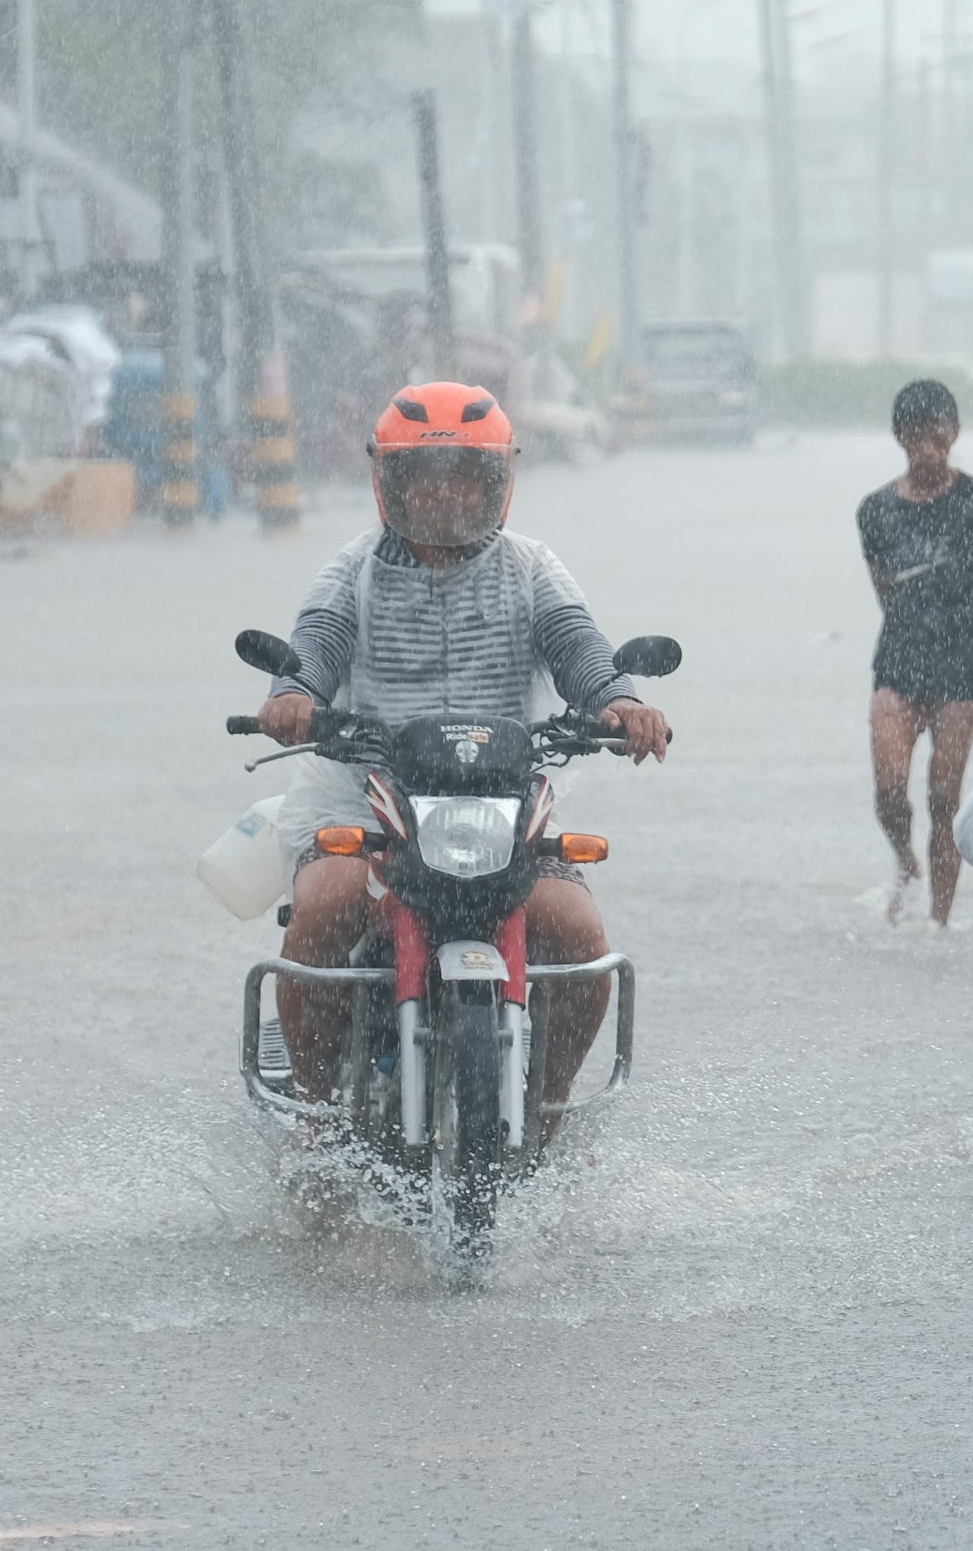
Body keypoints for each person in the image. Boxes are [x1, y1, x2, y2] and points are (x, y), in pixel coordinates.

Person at [252, 382, 673, 1120]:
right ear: (391, 482)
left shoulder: (533, 568)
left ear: (497, 481)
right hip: (370, 800)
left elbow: (581, 650)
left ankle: (546, 1111)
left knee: (580, 938)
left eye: (464, 474)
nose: (445, 491)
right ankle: (315, 1124)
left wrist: (622, 704)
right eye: (425, 475)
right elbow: (314, 645)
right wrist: (295, 698)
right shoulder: (352, 571)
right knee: (322, 907)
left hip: (505, 809)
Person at [855, 378, 973, 926]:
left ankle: (940, 921)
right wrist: (919, 627)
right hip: (897, 660)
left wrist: (960, 629)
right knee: (889, 791)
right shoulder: (875, 511)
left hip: (962, 664)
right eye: (917, 436)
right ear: (900, 437)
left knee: (945, 795)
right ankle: (905, 862)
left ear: (955, 433)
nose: (928, 447)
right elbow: (884, 590)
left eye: (937, 435)